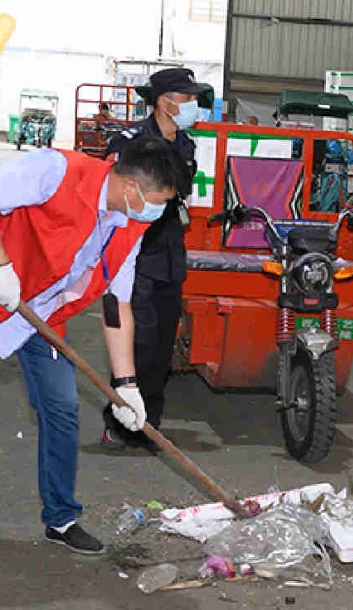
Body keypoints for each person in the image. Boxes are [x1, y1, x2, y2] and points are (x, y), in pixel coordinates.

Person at [0, 138, 185, 568]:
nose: (159, 213)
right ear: (131, 188)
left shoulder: (131, 225)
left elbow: (117, 305)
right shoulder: (56, 170)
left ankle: (60, 519)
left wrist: (127, 385)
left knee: (61, 408)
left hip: (41, 310)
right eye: (158, 202)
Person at [99, 67, 209, 451]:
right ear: (166, 101)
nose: (195, 106)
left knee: (162, 345)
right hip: (136, 255)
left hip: (170, 254)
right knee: (137, 341)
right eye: (189, 99)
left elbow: (180, 198)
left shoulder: (187, 146)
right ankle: (119, 420)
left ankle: (149, 424)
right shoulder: (130, 141)